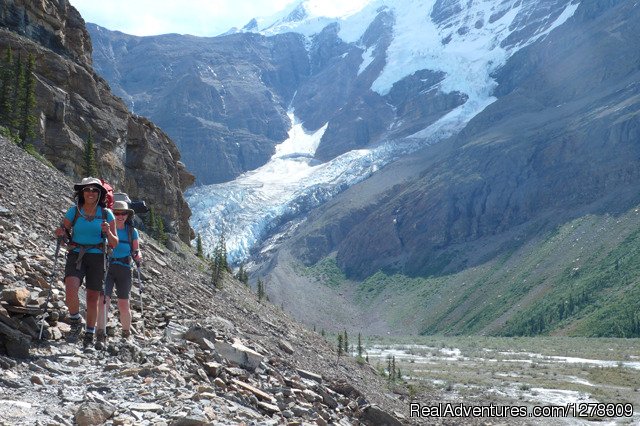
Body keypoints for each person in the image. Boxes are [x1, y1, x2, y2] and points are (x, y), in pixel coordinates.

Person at [55, 177, 118, 347]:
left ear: (100, 193)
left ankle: (89, 334)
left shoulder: (106, 214)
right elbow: (63, 232)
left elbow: (114, 242)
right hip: (76, 253)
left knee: (92, 297)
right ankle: (76, 320)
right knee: (70, 288)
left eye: (95, 190)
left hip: (97, 255)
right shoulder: (74, 211)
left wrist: (108, 232)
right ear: (82, 192)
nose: (91, 192)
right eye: (87, 189)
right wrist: (60, 234)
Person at [96, 200, 142, 348]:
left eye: (123, 213)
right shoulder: (106, 228)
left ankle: (126, 333)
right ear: (112, 213)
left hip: (124, 267)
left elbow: (136, 249)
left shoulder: (131, 231)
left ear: (127, 215)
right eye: (116, 213)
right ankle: (100, 334)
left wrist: (138, 256)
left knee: (124, 303)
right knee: (104, 299)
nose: (120, 216)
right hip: (107, 266)